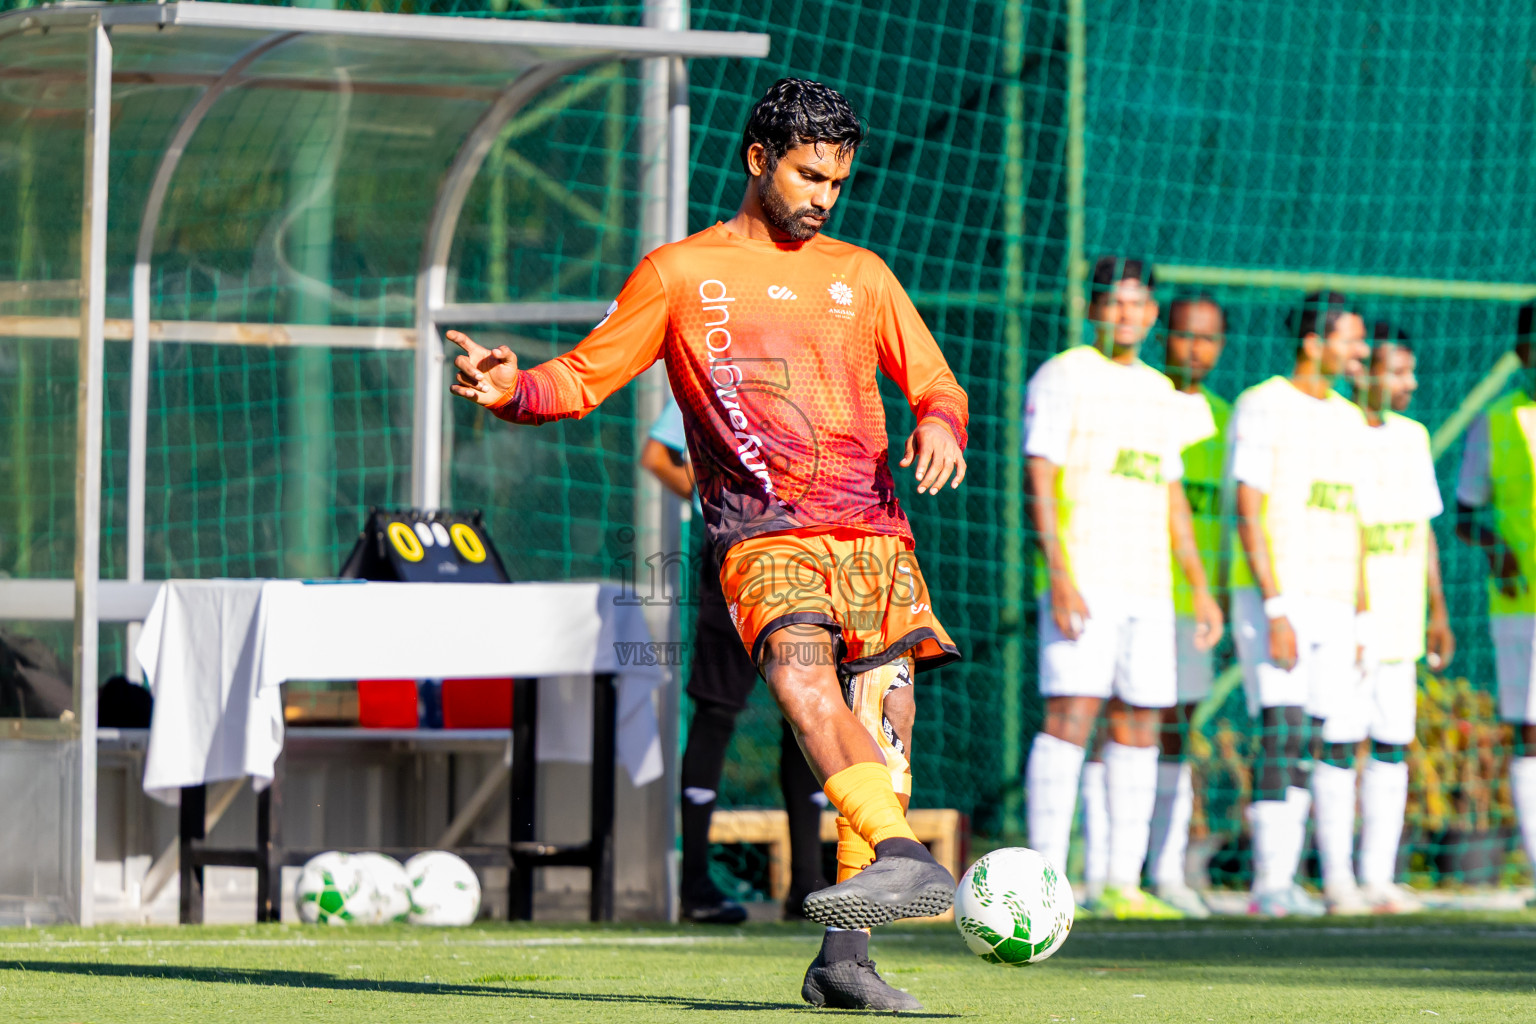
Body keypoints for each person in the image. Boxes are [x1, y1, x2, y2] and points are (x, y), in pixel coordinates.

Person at [449, 78, 969, 1011]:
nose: (825, 197)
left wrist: (939, 423)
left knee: (885, 729)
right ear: (758, 159)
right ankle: (903, 853)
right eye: (809, 176)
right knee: (801, 684)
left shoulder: (862, 275)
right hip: (763, 537)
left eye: (838, 183)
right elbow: (581, 378)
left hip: (876, 537)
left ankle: (844, 961)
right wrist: (512, 389)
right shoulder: (680, 274)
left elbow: (937, 382)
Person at [1024, 256, 1223, 921]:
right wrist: (1059, 574)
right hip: (1084, 580)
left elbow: (1172, 498)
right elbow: (1039, 478)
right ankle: (1044, 883)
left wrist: (1199, 586)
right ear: (1093, 309)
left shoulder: (1161, 392)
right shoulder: (1063, 374)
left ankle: (1120, 881)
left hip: (1149, 590)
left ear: (1152, 314)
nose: (1126, 315)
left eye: (1138, 304)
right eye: (1114, 302)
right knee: (1070, 718)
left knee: (1141, 723)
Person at [639, 395, 829, 924]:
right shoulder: (710, 375)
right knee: (718, 711)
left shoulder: (815, 380)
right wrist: (720, 502)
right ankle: (696, 884)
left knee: (808, 707)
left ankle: (808, 884)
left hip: (803, 554)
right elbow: (657, 456)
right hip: (737, 553)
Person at [1229, 291, 1371, 917]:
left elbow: (1356, 520)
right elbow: (1248, 511)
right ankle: (1268, 885)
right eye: (1350, 338)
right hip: (1278, 600)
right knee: (1282, 731)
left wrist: (1361, 612)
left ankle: (1302, 880)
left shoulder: (1349, 417)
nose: (1360, 350)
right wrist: (1276, 606)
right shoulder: (1262, 404)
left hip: (1336, 602)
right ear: (1315, 342)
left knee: (1317, 737)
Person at [1337, 323, 1452, 913]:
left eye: (1411, 371)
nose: (1411, 383)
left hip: (1404, 623)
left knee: (1391, 744)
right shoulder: (1335, 430)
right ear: (1362, 372)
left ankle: (1377, 879)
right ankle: (1337, 880)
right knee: (1337, 743)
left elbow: (1424, 528)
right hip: (1347, 618)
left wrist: (1439, 610)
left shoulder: (1413, 436)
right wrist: (1356, 605)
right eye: (1398, 372)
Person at [1144, 293, 1232, 918]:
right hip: (1138, 588)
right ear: (1164, 337)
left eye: (1209, 338)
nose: (1196, 349)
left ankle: (1166, 869)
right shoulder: (1143, 399)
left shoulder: (1227, 419)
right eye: (1185, 336)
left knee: (1178, 731)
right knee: (1122, 728)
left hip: (1193, 605)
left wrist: (1215, 593)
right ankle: (1103, 868)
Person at [1454, 301, 1536, 887]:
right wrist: (1494, 547)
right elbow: (1465, 513)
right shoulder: (1497, 421)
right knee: (1529, 731)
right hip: (1522, 605)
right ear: (1523, 352)